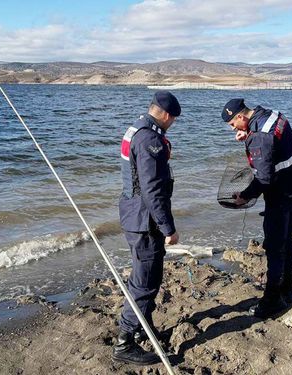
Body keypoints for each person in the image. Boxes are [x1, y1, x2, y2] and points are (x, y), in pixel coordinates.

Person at [221, 98, 292, 319]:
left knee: (275, 245)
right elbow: (273, 146)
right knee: (288, 239)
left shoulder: (259, 137)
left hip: (281, 194)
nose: (233, 129)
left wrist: (245, 196)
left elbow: (264, 179)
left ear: (241, 116)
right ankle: (288, 290)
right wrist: (248, 136)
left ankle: (272, 300)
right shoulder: (271, 115)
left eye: (233, 124)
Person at [113, 91, 181, 365]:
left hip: (133, 214)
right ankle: (124, 341)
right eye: (173, 119)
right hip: (145, 220)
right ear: (165, 115)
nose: (173, 123)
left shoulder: (136, 128)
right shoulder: (149, 138)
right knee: (145, 282)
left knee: (145, 276)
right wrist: (168, 228)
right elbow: (152, 190)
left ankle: (142, 326)